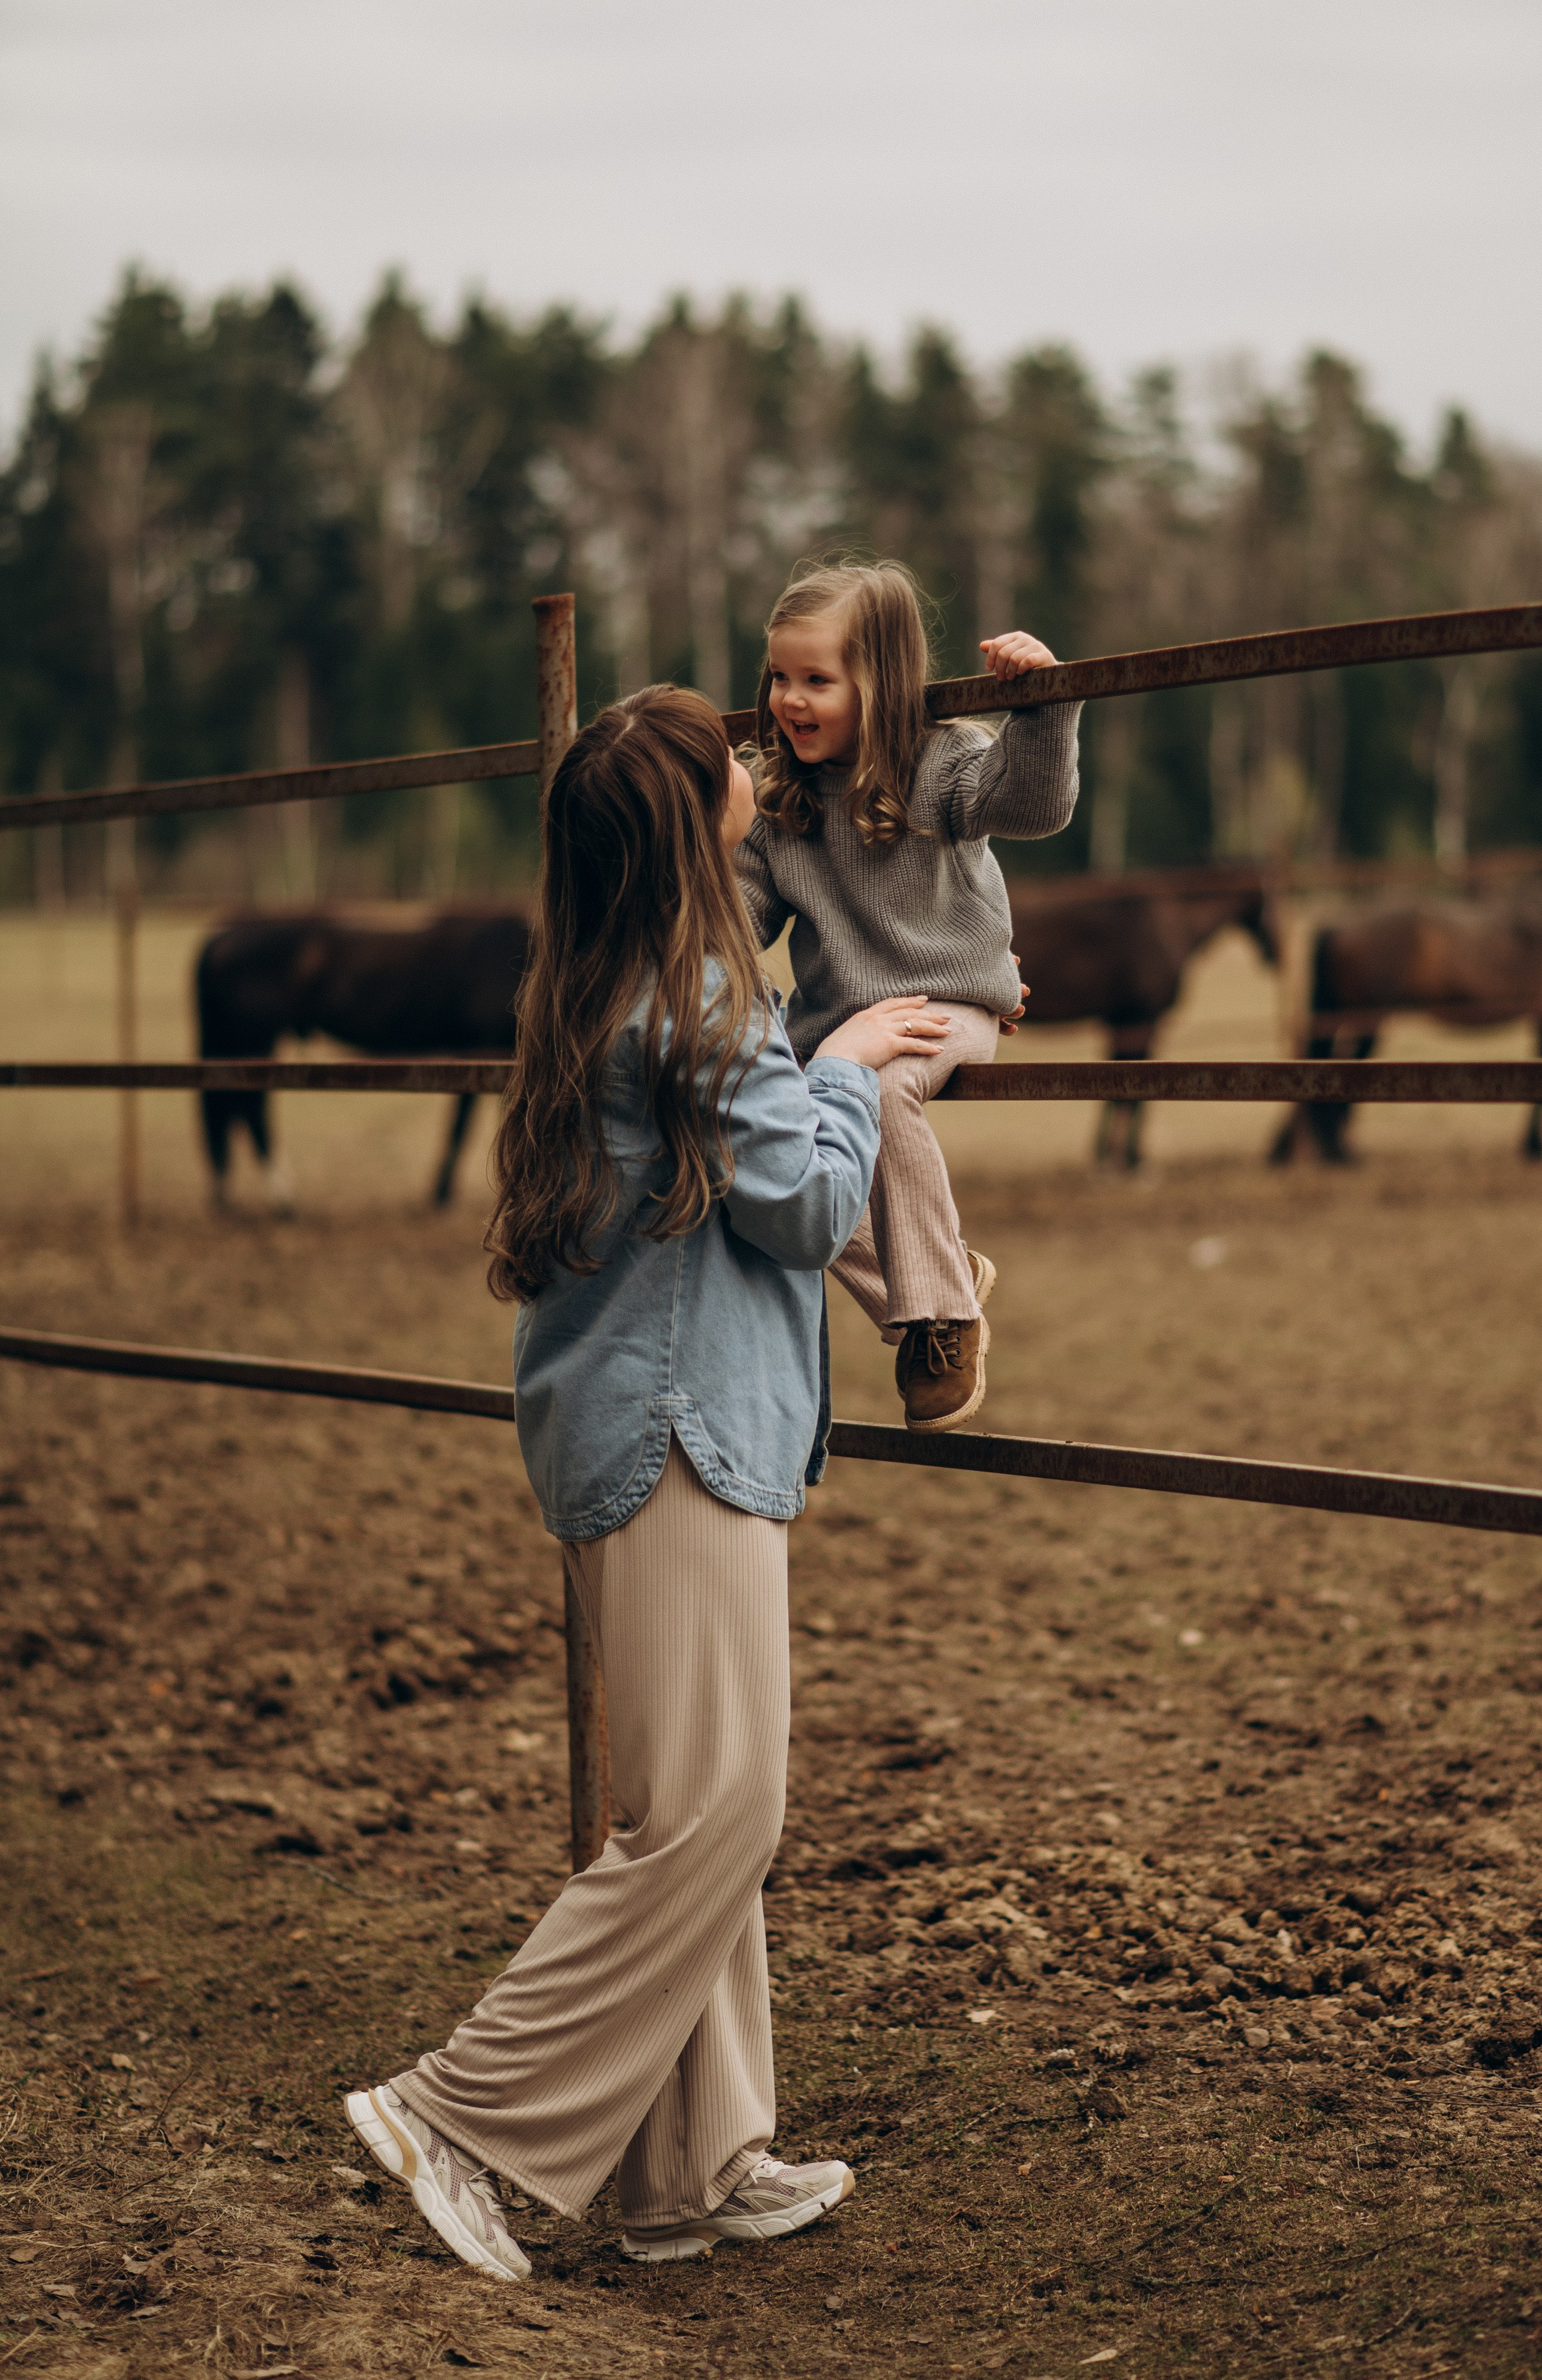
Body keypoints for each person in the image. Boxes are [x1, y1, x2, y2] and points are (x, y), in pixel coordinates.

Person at [341, 685, 952, 2280]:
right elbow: (813, 1211)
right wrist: (845, 1061)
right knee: (712, 1813)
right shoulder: (694, 1001)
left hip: (648, 1420)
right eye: (728, 765)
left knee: (701, 1795)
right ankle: (459, 2112)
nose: (758, 773)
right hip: (682, 1433)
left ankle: (692, 2167)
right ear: (693, 826)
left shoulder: (602, 972)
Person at [736, 558, 1079, 1431]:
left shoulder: (942, 764)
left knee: (882, 1091)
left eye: (818, 680)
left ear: (883, 682)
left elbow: (1034, 804)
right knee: (754, 1144)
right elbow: (733, 917)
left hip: (947, 1002)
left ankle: (943, 1320)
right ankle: (940, 1267)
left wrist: (1041, 704)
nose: (790, 700)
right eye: (779, 677)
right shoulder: (776, 798)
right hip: (841, 1026)